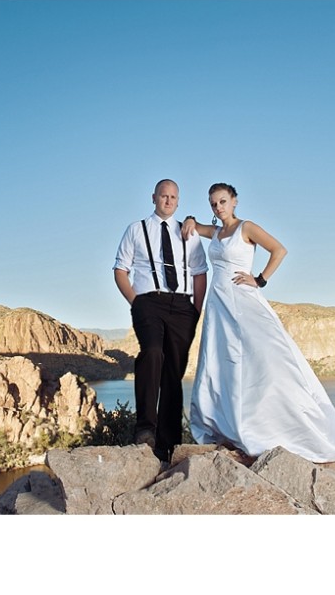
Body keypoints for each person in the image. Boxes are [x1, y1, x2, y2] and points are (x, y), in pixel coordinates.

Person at [181, 182, 335, 463]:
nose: (218, 207)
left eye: (223, 201)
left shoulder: (246, 228)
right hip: (219, 303)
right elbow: (196, 226)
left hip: (242, 299)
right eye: (213, 203)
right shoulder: (215, 232)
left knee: (263, 356)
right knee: (222, 361)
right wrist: (190, 218)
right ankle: (228, 425)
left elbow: (280, 250)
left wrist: (260, 279)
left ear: (234, 201)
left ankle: (276, 425)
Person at [113, 179, 208, 463]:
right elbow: (120, 269)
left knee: (173, 373)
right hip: (148, 301)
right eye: (163, 196)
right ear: (154, 198)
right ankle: (145, 429)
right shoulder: (136, 229)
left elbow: (200, 272)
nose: (168, 201)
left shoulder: (188, 233)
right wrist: (136, 301)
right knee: (152, 353)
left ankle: (167, 445)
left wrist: (196, 311)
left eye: (173, 197)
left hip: (182, 306)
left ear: (178, 201)